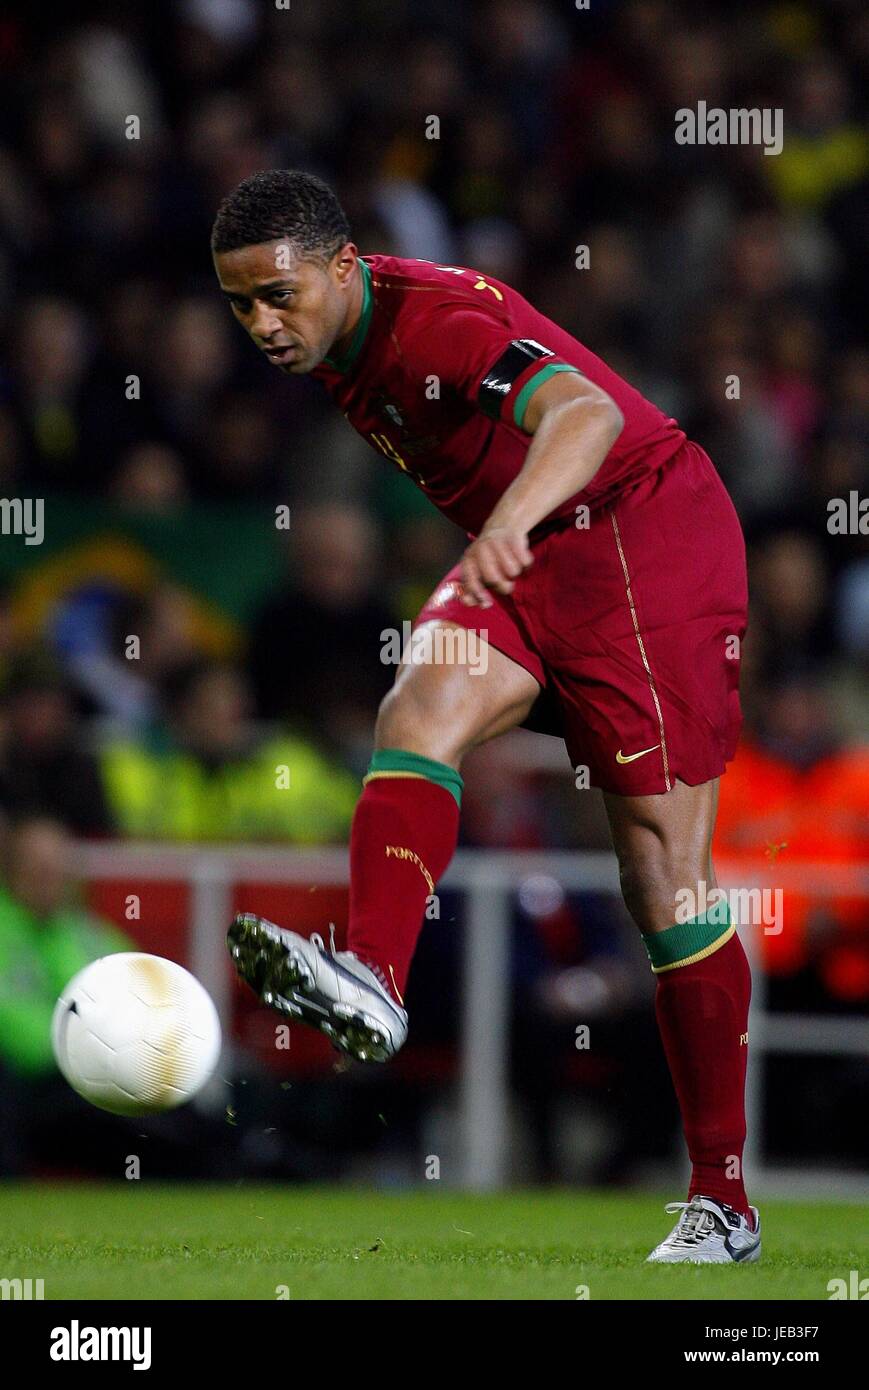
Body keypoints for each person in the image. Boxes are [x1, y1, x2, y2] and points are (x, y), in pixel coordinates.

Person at [211, 169, 756, 1264]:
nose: (262, 324)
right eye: (240, 304)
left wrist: (504, 524)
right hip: (534, 549)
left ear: (342, 267)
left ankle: (722, 1203)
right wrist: (510, 534)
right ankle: (374, 976)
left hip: (642, 538)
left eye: (278, 295)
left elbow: (587, 412)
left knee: (663, 878)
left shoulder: (434, 327)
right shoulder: (338, 343)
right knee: (417, 704)